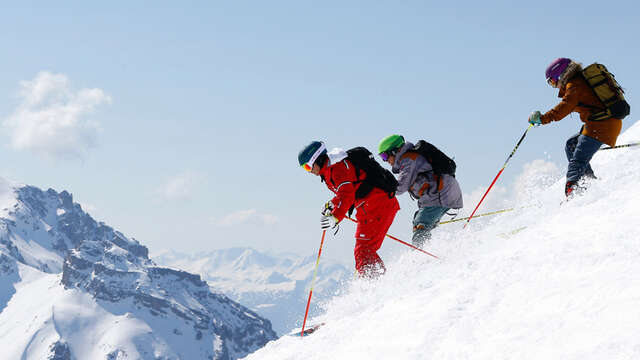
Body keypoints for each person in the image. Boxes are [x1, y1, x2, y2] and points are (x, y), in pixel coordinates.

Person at [298, 141, 399, 278]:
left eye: (308, 166)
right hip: (371, 207)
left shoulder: (336, 168)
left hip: (377, 205)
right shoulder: (329, 169)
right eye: (305, 168)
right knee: (363, 251)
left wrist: (335, 217)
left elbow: (347, 196)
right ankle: (374, 281)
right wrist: (332, 204)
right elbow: (346, 191)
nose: (309, 171)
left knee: (364, 250)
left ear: (318, 159)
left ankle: (377, 284)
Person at [528, 58, 623, 197]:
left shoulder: (575, 85)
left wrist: (542, 119)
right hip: (601, 123)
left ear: (560, 75)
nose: (555, 86)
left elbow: (563, 108)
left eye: (553, 82)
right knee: (571, 145)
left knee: (577, 162)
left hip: (601, 125)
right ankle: (589, 183)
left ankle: (574, 194)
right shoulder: (579, 82)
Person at [377, 135, 463, 248]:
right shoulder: (408, 158)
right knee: (418, 219)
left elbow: (400, 187)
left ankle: (419, 255)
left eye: (384, 155)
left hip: (440, 195)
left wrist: (381, 189)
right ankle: (428, 240)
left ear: (394, 151)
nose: (385, 160)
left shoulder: (409, 160)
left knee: (420, 225)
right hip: (440, 193)